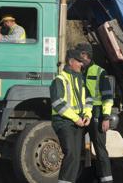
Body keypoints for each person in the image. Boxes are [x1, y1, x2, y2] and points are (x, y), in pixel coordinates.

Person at [50, 50, 93, 183]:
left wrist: (87, 114)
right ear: (71, 62)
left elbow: (88, 99)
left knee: (75, 157)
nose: (82, 65)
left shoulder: (80, 80)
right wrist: (76, 118)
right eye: (79, 62)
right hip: (63, 122)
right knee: (70, 154)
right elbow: (58, 103)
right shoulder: (59, 80)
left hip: (78, 122)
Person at [76, 42, 114, 183]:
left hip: (97, 114)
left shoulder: (100, 72)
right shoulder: (78, 71)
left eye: (79, 54)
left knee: (100, 150)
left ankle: (106, 180)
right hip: (81, 114)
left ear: (85, 55)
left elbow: (108, 98)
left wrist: (106, 117)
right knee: (78, 148)